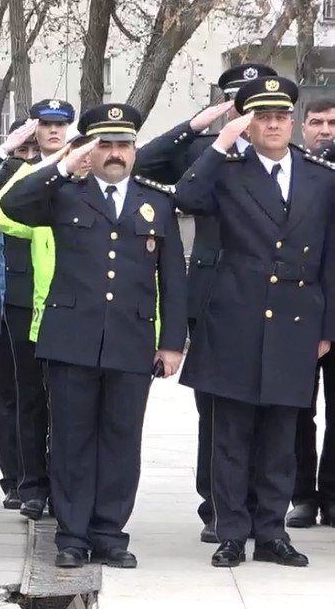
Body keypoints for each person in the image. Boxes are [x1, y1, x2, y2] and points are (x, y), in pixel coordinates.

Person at [1, 104, 188, 568]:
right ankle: (72, 535)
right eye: (105, 144)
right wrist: (63, 165)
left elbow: (174, 277)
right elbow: (11, 205)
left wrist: (171, 342)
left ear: (135, 150)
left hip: (131, 336)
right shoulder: (63, 193)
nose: (115, 153)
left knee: (122, 439)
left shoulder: (157, 201)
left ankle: (110, 532)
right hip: (72, 337)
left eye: (123, 145)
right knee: (71, 439)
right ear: (89, 149)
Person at [174, 76, 335, 568]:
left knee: (281, 437)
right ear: (249, 122)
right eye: (262, 117)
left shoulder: (321, 176)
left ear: (293, 121)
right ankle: (231, 532)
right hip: (236, 317)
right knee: (231, 435)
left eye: (280, 116)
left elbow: (330, 256)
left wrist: (327, 329)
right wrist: (222, 141)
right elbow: (187, 196)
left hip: (294, 321)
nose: (272, 124)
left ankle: (271, 533)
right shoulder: (227, 169)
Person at [133, 62, 277, 543]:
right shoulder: (199, 151)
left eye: (253, 101)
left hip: (272, 297)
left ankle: (262, 506)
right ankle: (217, 504)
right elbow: (144, 162)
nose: (245, 109)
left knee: (271, 405)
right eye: (237, 100)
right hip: (214, 293)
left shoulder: (284, 155)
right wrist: (197, 125)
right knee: (217, 411)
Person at [0, 100, 75, 518]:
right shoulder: (23, 173)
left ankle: (62, 485)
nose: (54, 132)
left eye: (61, 125)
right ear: (33, 131)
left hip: (71, 300)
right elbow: (1, 211)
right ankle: (30, 483)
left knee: (66, 402)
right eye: (45, 125)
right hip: (26, 302)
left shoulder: (82, 167)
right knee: (27, 397)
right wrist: (9, 153)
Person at [288, 97, 335, 528]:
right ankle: (302, 494)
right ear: (303, 128)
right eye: (316, 122)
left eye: (333, 123)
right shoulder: (293, 175)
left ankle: (333, 494)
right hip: (297, 311)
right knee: (298, 409)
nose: (324, 130)